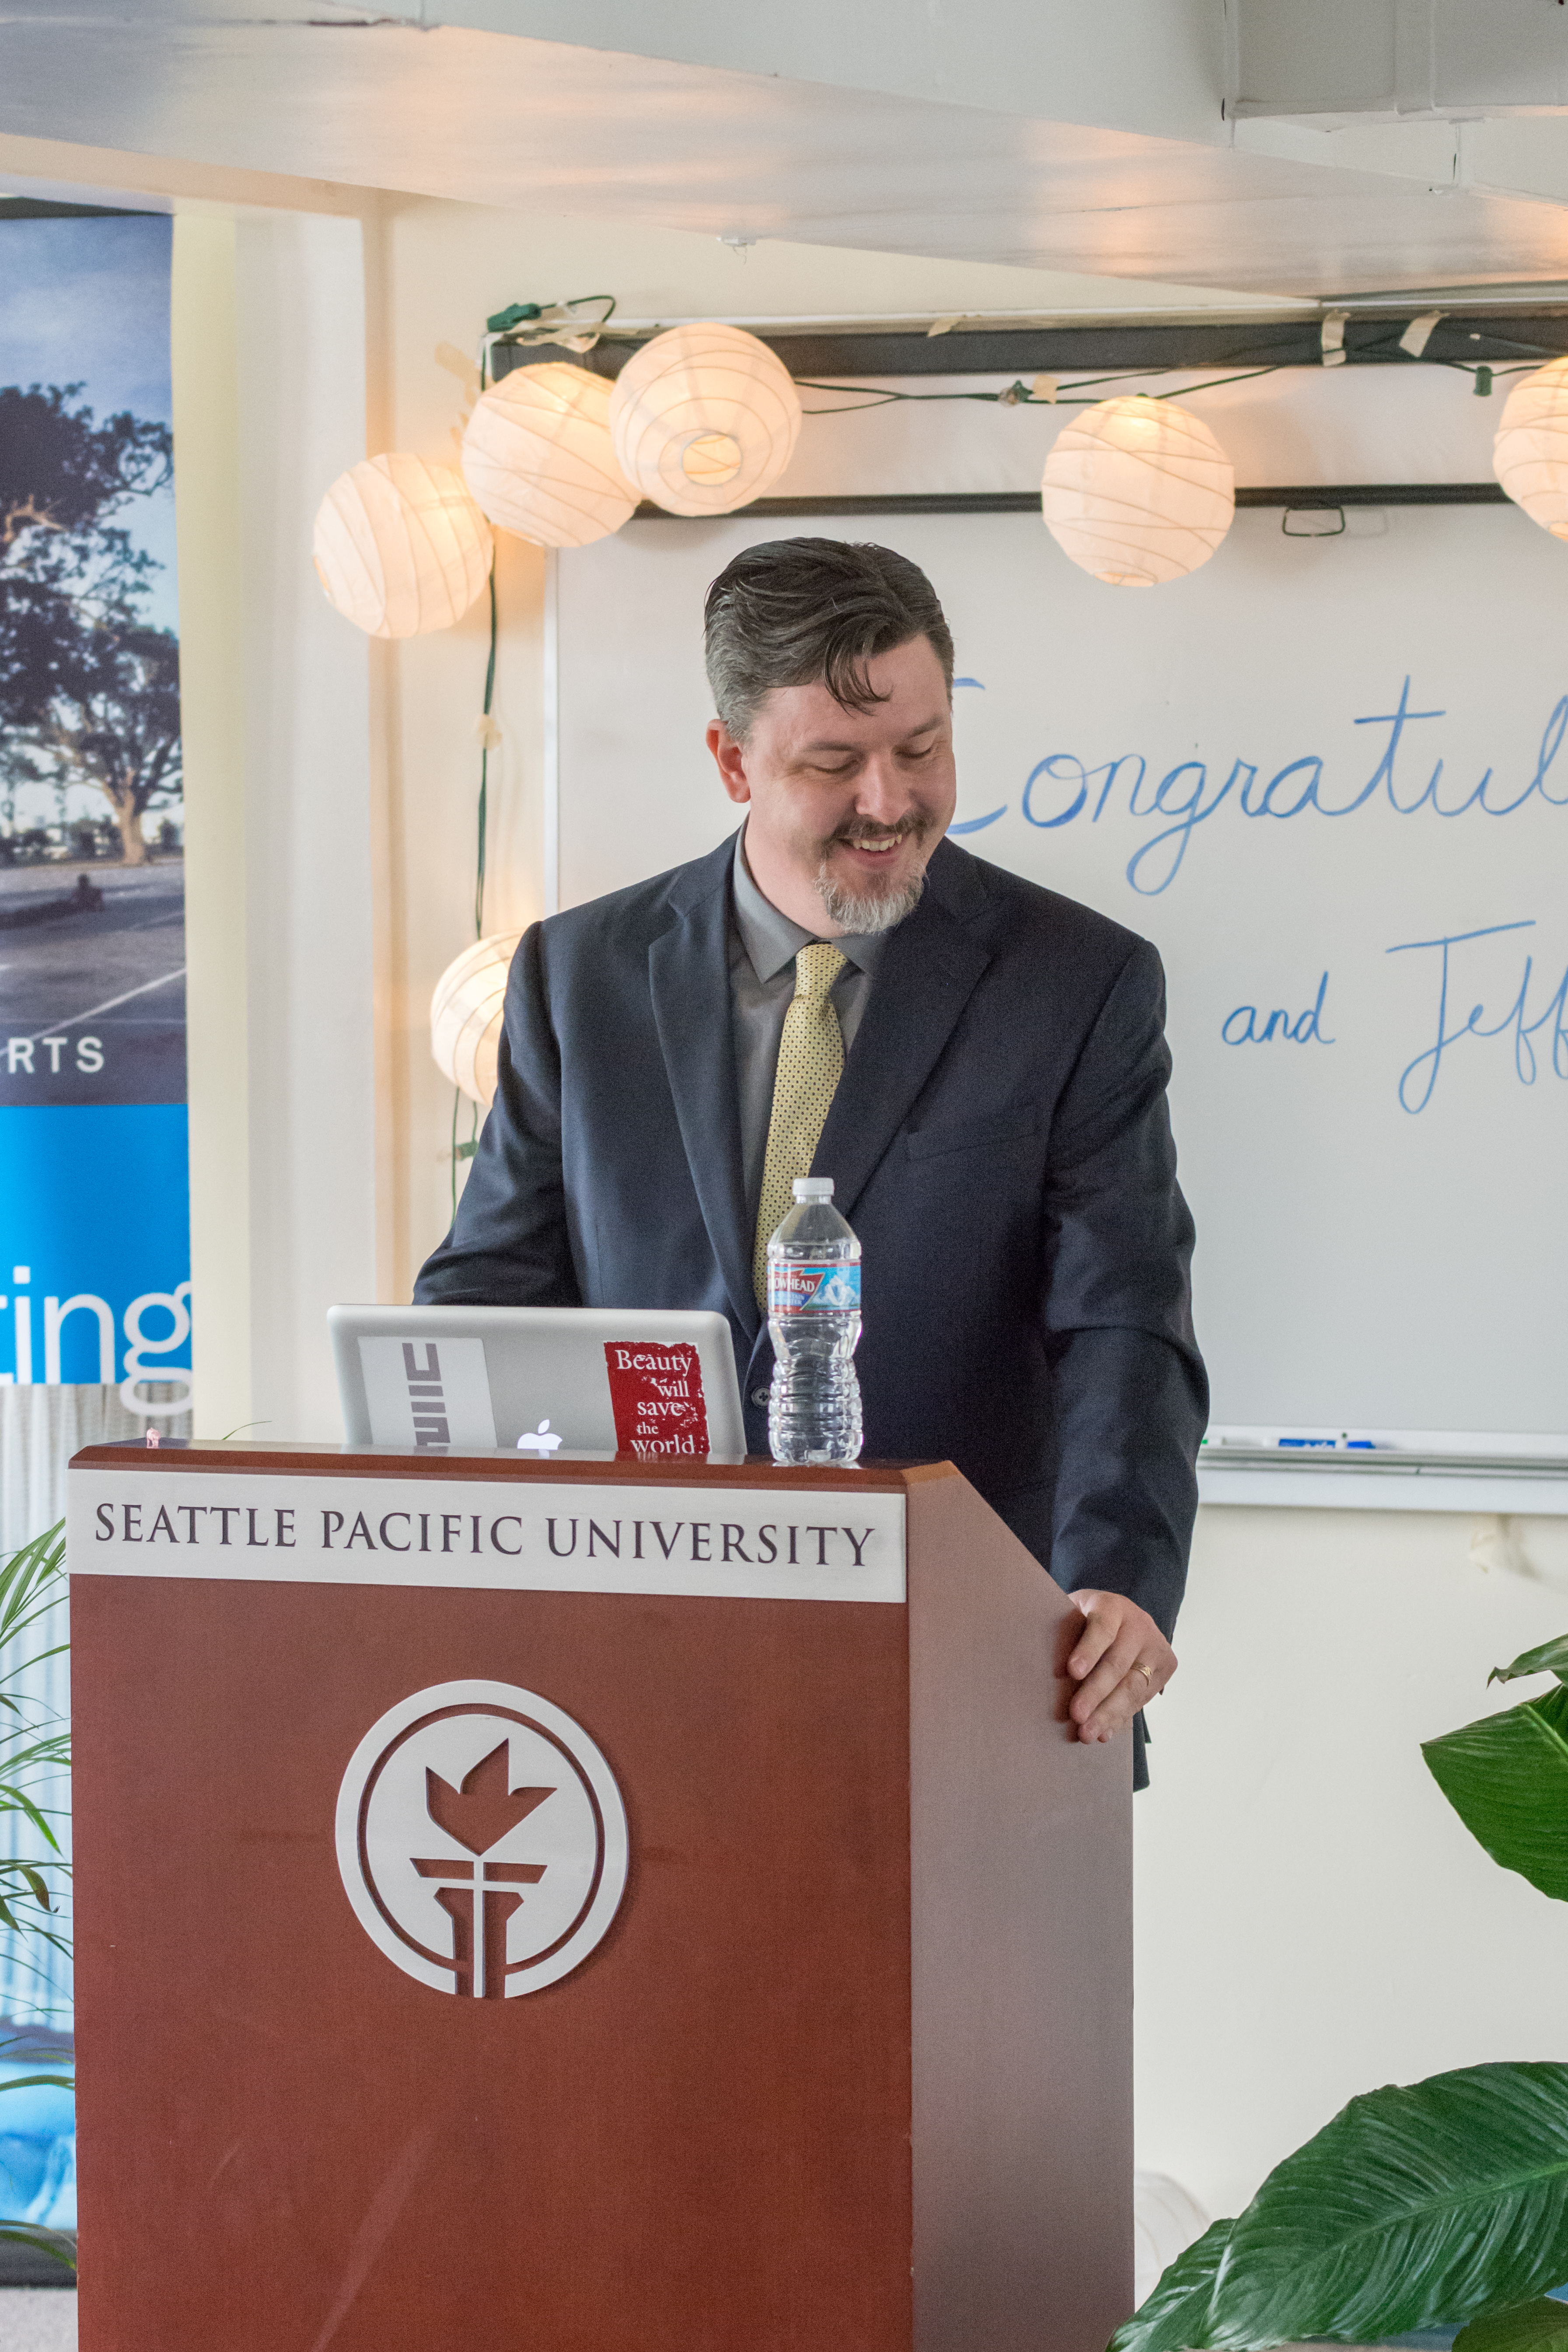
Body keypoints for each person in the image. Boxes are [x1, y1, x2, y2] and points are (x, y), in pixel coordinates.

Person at [416, 538, 1207, 1781]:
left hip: (990, 1669)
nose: (890, 802)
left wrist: (1118, 1578)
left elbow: (1123, 1318)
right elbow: (489, 1293)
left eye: (923, 748)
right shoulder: (577, 977)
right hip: (627, 1676)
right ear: (732, 759)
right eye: (834, 764)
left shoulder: (1080, 983)